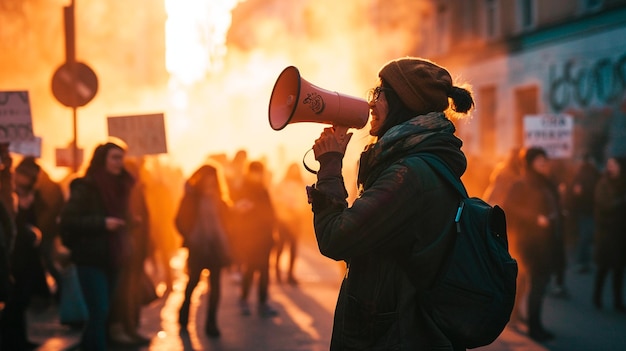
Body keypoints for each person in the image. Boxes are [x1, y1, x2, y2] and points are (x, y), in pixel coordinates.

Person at [306, 57, 474, 350]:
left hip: (392, 337)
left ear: (404, 102)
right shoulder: (415, 162)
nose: (371, 104)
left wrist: (330, 166)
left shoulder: (408, 175)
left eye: (379, 93)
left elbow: (335, 238)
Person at [59, 140, 136, 351]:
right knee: (99, 310)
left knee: (101, 314)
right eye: (115, 157)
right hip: (90, 257)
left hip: (114, 256)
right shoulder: (86, 186)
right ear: (103, 159)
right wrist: (102, 223)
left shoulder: (125, 185)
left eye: (122, 158)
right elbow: (68, 220)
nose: (120, 163)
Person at [503, 146, 563, 342]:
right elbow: (509, 208)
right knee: (537, 284)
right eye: (540, 161)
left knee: (526, 281)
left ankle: (514, 316)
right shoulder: (521, 184)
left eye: (545, 160)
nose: (544, 164)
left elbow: (552, 204)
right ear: (530, 163)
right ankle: (535, 328)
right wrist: (535, 218)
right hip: (529, 242)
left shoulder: (546, 182)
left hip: (546, 241)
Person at [175, 162, 233, 337]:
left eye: (212, 178)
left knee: (215, 287)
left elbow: (228, 222)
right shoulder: (191, 197)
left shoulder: (220, 199)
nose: (209, 181)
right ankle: (184, 315)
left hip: (216, 248)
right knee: (192, 282)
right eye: (207, 177)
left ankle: (211, 323)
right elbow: (178, 220)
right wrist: (191, 237)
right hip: (198, 247)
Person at [13, 156, 65, 302]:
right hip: (30, 236)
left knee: (47, 262)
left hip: (40, 234)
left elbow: (48, 210)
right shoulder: (13, 191)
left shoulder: (37, 192)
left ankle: (61, 292)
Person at [231, 160, 278, 317]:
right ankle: (244, 299)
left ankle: (262, 302)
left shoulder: (263, 190)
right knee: (250, 270)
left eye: (259, 172)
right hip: (249, 239)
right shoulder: (243, 189)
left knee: (264, 271)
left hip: (265, 238)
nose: (257, 175)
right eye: (254, 171)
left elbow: (271, 213)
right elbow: (235, 212)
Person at [592, 156, 626, 313]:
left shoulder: (623, 182)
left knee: (619, 269)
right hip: (607, 232)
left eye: (613, 164)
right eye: (609, 164)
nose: (610, 167)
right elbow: (603, 205)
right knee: (604, 268)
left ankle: (618, 301)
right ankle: (597, 298)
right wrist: (621, 202)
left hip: (620, 233)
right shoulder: (603, 183)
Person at [272, 162, 310, 285]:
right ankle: (277, 271)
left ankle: (290, 274)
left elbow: (304, 201)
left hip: (296, 219)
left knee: (293, 247)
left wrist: (298, 209)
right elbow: (276, 199)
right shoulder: (282, 184)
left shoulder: (301, 185)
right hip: (283, 219)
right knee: (281, 246)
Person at [567, 154, 600, 274]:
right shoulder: (596, 174)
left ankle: (582, 261)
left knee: (584, 236)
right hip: (592, 209)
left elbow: (574, 193)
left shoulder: (579, 176)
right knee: (587, 236)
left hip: (583, 210)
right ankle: (584, 261)